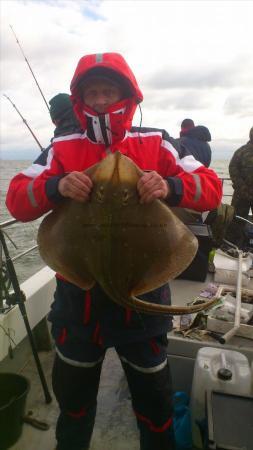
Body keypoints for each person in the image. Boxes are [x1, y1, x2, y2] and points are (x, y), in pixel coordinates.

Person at [6, 52, 222, 450]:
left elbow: (210, 186)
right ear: (81, 101)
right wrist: (56, 187)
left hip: (142, 302)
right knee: (74, 409)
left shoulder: (157, 141)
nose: (102, 100)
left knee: (154, 410)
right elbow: (17, 199)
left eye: (109, 91)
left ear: (128, 95)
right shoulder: (62, 146)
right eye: (93, 93)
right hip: (79, 304)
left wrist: (169, 187)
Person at [225, 127, 253, 248]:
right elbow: (233, 169)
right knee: (236, 220)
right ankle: (232, 245)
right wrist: (243, 188)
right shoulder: (241, 152)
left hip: (243, 192)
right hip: (242, 194)